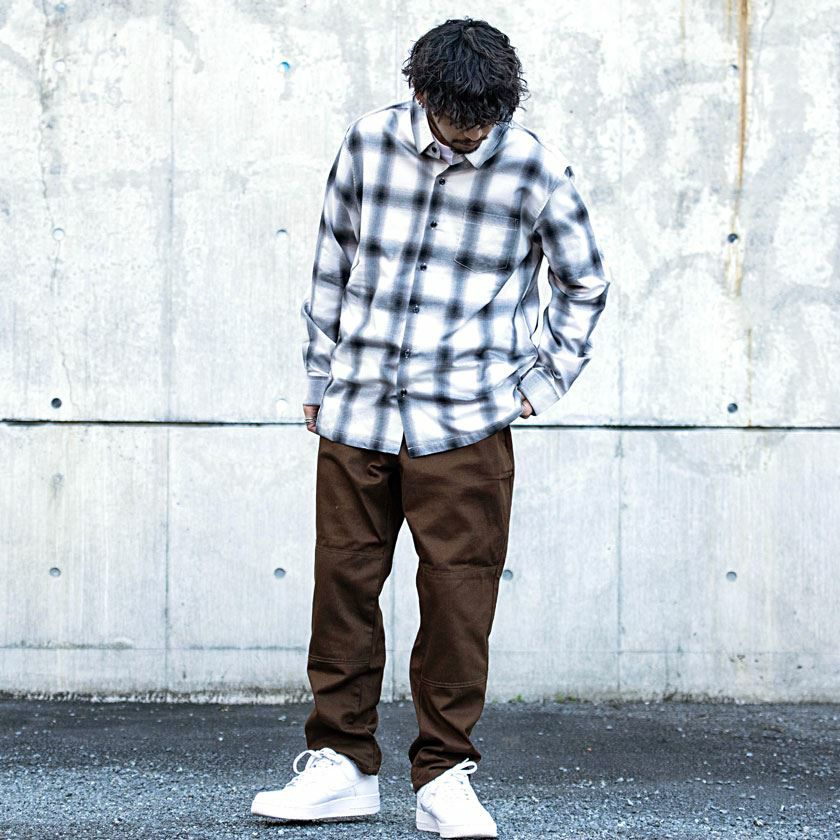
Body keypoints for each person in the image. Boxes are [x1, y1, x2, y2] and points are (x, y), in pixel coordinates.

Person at [251, 16, 611, 838]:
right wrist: (319, 375)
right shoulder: (369, 144)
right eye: (456, 121)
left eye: (487, 121)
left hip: (466, 423)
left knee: (457, 600)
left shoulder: (535, 167)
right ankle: (341, 765)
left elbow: (585, 284)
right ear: (421, 94)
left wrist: (539, 384)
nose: (471, 136)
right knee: (342, 589)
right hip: (359, 409)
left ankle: (445, 776)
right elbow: (332, 261)